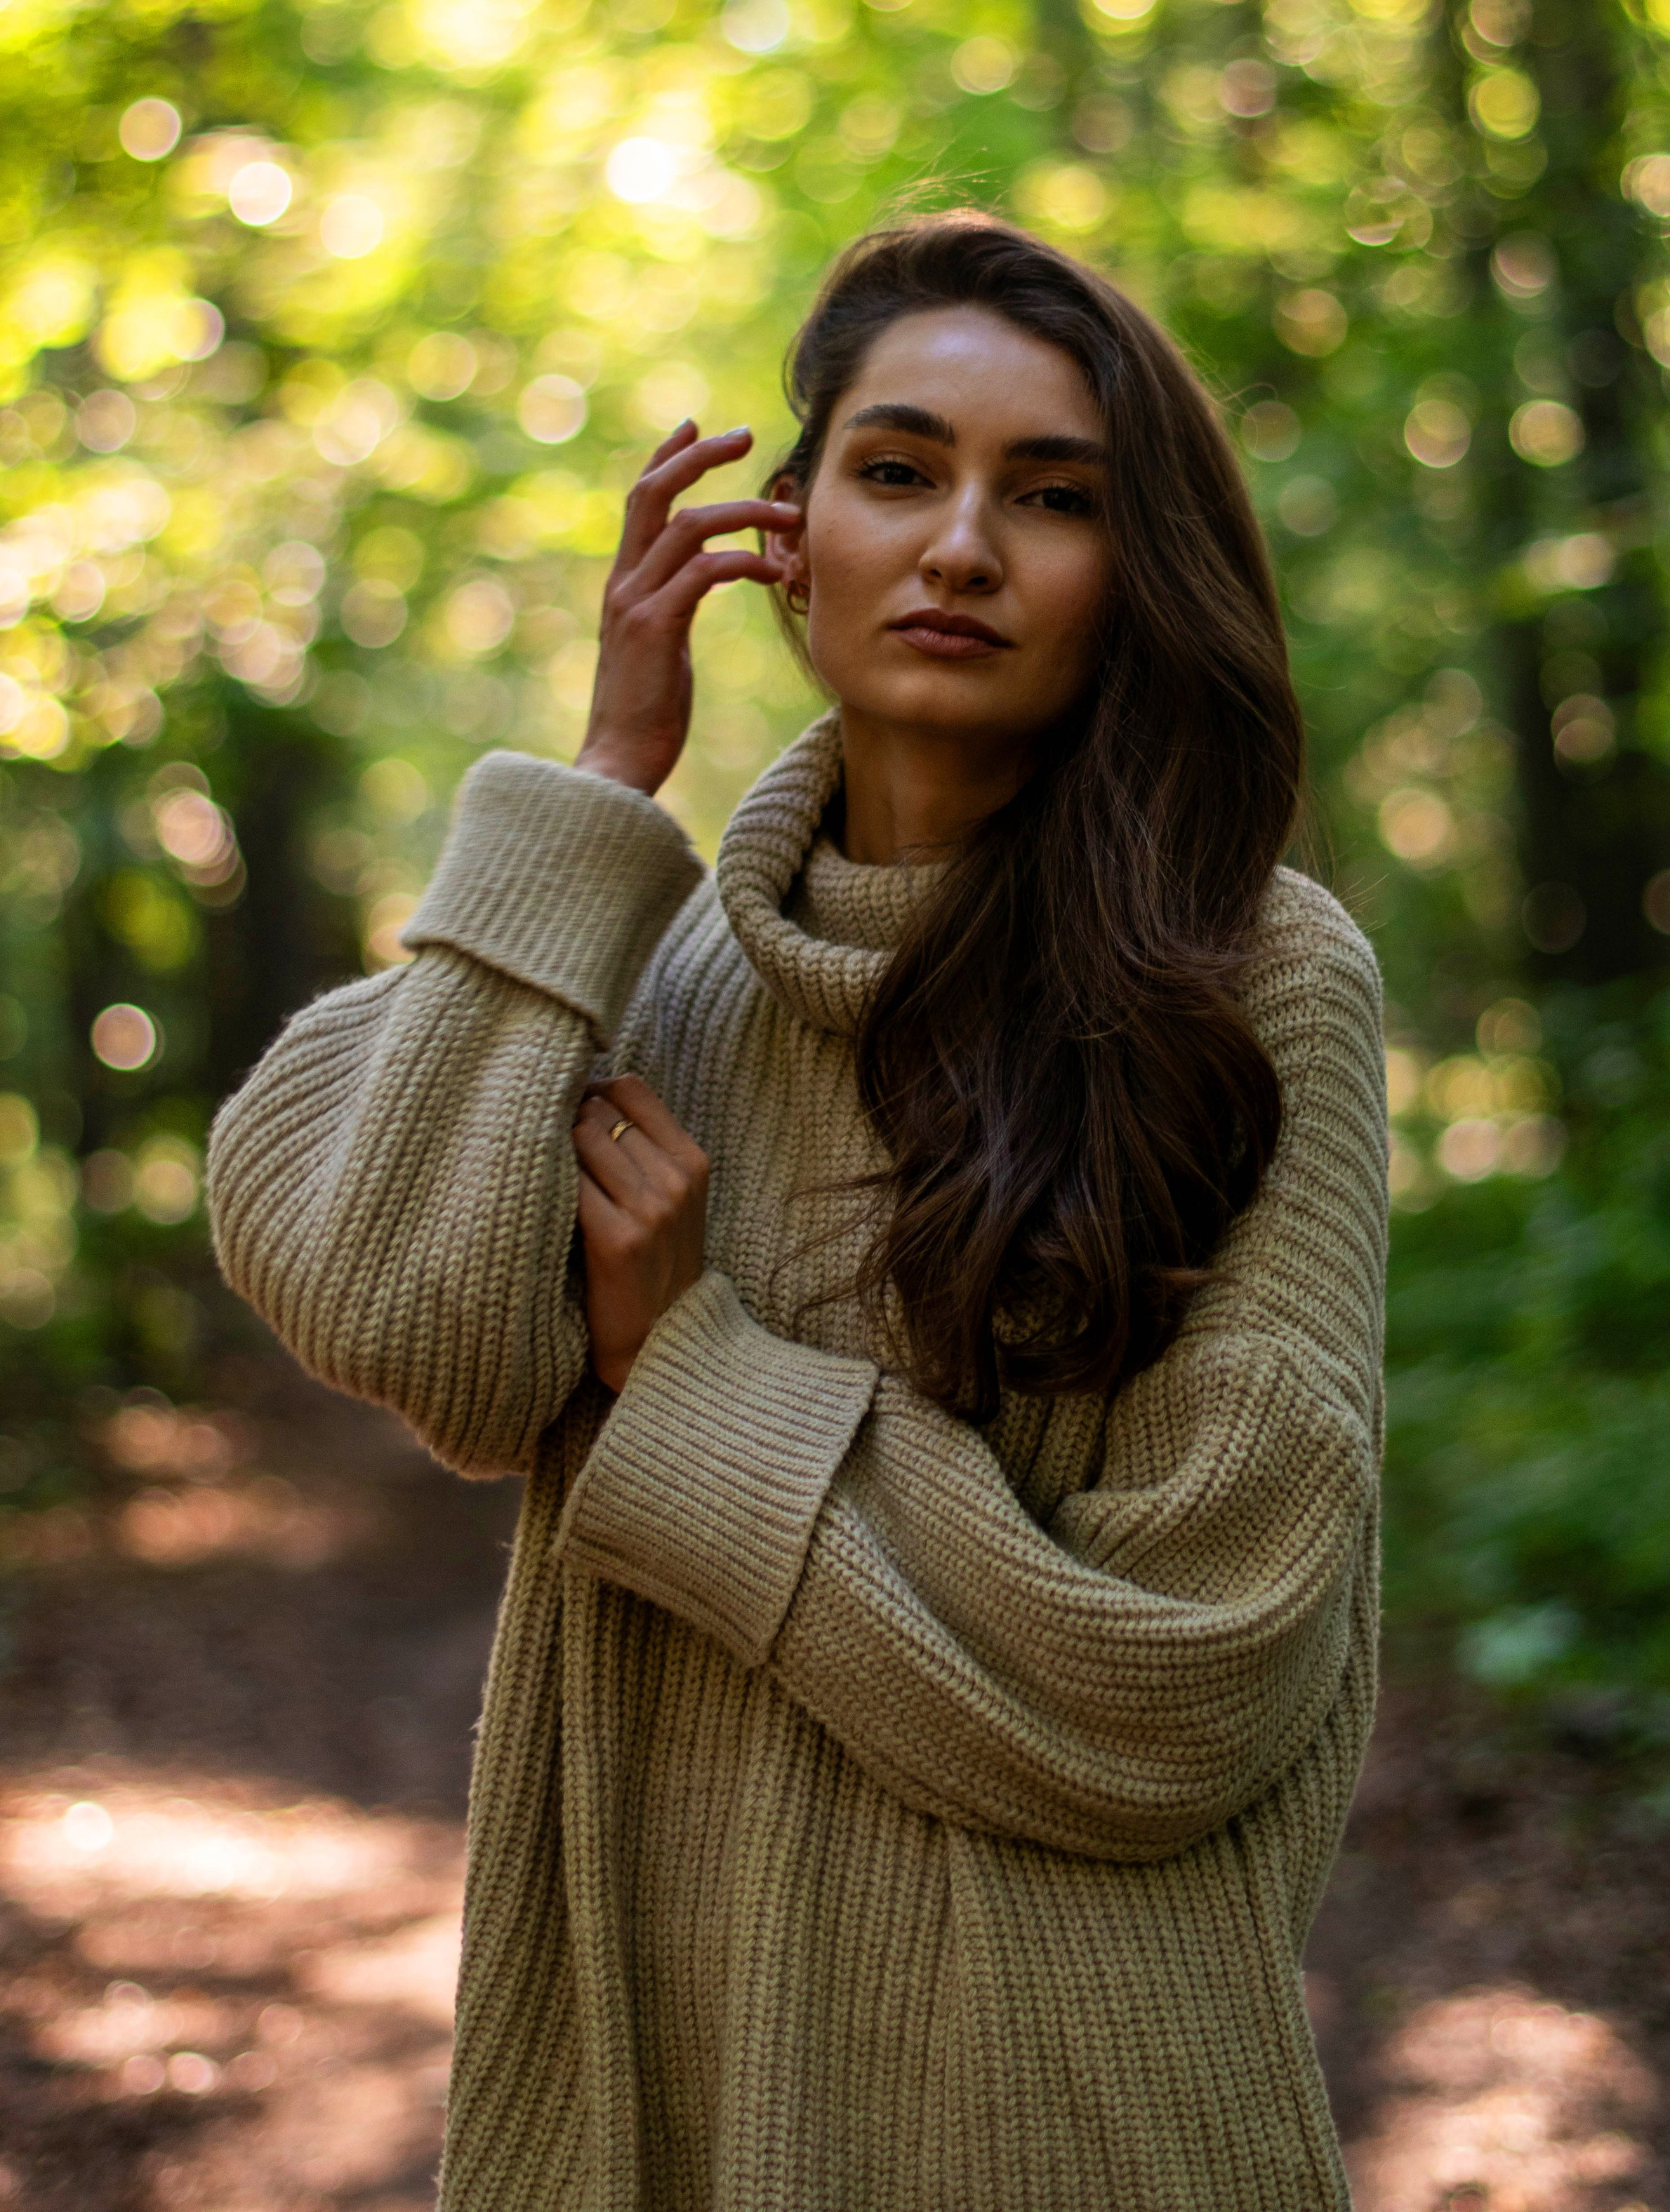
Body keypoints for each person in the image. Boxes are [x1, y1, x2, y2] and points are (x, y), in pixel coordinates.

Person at [208, 211, 1386, 2212]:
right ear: (784, 534)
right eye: (900, 470)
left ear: (1133, 575)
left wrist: (690, 1379)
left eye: (1055, 497)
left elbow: (1196, 1671)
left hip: (1071, 2119)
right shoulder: (646, 980)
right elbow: (394, 1309)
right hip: (667, 2086)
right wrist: (599, 785)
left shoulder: (1251, 979)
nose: (961, 547)